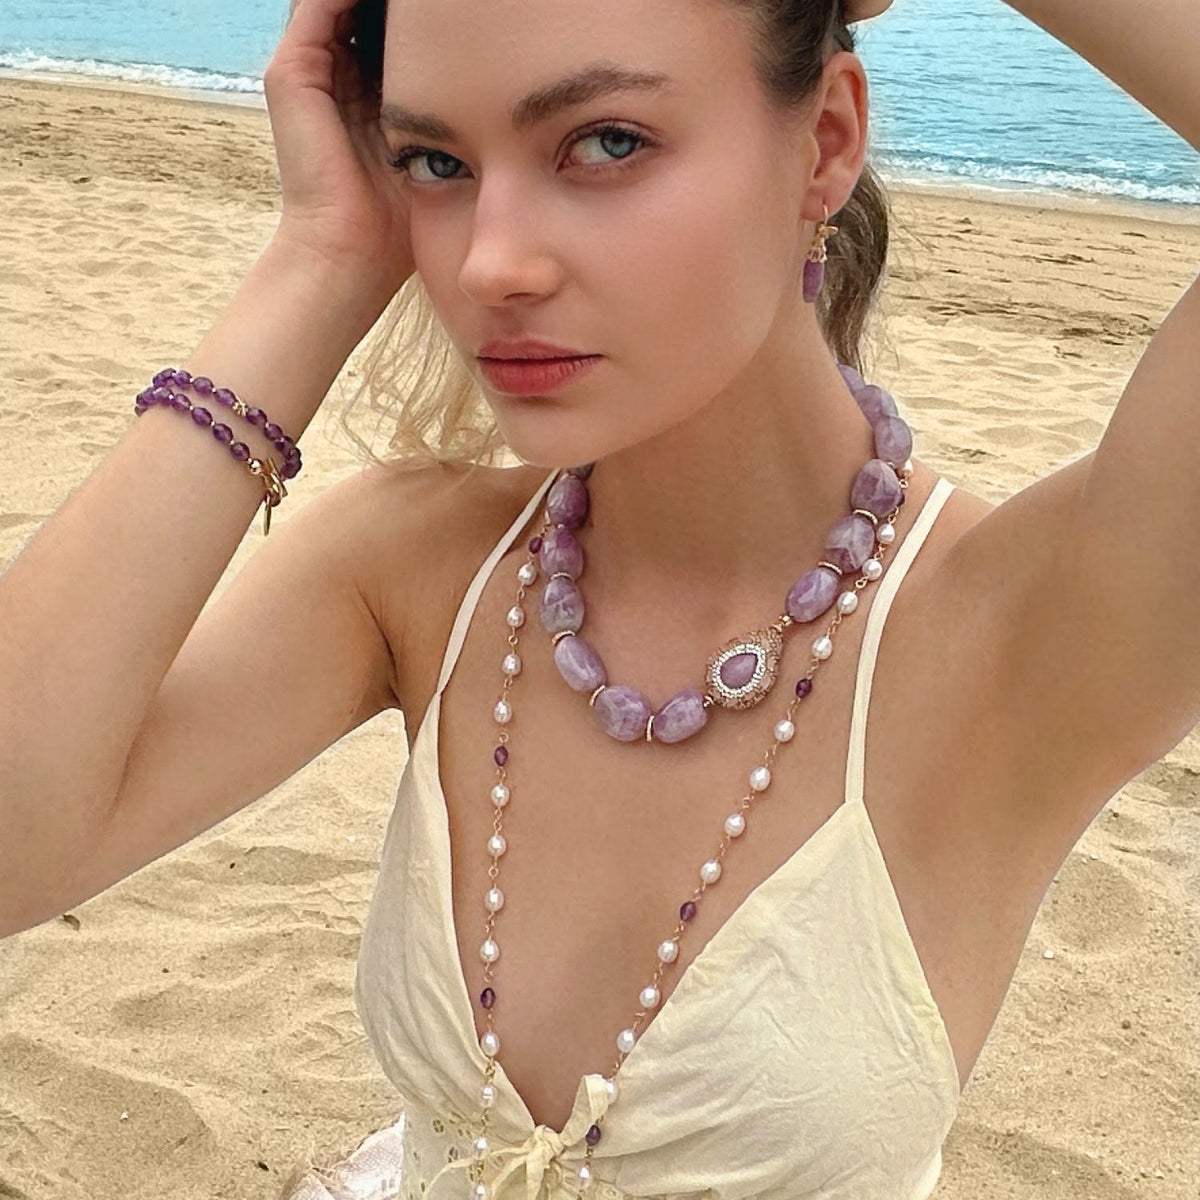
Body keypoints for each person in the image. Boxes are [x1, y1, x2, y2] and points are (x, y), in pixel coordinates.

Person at [0, 0, 1196, 1197]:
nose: (490, 264)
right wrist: (320, 255)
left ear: (825, 140)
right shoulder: (419, 566)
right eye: (436, 163)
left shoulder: (1028, 626)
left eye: (608, 142)